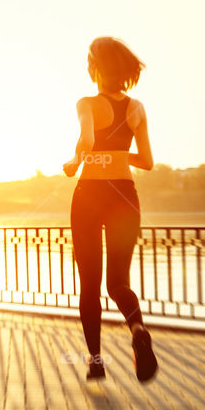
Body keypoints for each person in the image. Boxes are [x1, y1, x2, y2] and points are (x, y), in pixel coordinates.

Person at [63, 37, 158, 382]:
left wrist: (75, 161)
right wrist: (117, 155)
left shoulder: (87, 104)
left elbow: (88, 141)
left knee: (90, 285)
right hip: (125, 197)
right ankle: (137, 329)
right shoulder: (137, 108)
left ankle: (96, 362)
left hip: (90, 196)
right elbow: (146, 161)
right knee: (118, 282)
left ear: (95, 68)